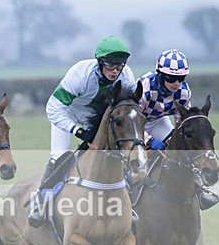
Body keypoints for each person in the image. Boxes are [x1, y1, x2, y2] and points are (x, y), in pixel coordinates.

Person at [28, 35, 137, 228]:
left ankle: (128, 202)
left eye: (119, 66)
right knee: (60, 156)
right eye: (110, 66)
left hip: (99, 118)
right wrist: (77, 131)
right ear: (100, 62)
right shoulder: (80, 74)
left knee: (120, 153)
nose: (115, 71)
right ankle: (40, 201)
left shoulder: (127, 76)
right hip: (67, 116)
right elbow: (53, 108)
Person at [138, 49, 218, 210]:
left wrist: (173, 142)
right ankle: (128, 190)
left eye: (181, 78)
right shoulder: (144, 87)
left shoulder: (183, 92)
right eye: (171, 78)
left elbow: (183, 124)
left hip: (159, 122)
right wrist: (150, 141)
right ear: (160, 74)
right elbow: (132, 122)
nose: (176, 83)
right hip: (136, 123)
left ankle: (198, 190)